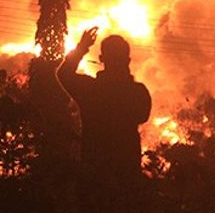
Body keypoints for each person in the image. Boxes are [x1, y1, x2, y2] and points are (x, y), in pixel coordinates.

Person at [57, 27, 152, 181]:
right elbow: (143, 116)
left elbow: (64, 74)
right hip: (126, 172)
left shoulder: (90, 90)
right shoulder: (138, 93)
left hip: (95, 171)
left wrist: (82, 47)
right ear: (127, 60)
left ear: (101, 59)